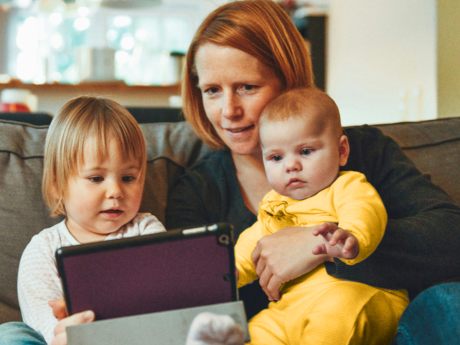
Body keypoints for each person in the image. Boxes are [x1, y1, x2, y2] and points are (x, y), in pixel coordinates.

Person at [1, 0, 459, 344]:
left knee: (448, 304)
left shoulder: (360, 152)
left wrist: (320, 244)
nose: (230, 111)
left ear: (288, 80)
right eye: (212, 91)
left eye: (247, 87)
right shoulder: (197, 191)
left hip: (387, 325)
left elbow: (449, 237)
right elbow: (200, 310)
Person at [233, 87, 408, 344]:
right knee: (258, 329)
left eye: (305, 151)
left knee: (333, 319)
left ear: (342, 151)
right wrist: (230, 271)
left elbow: (364, 210)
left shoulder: (346, 186)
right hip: (290, 307)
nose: (291, 165)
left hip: (356, 294)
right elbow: (254, 243)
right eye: (276, 157)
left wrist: (352, 236)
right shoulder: (273, 204)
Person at [16, 96, 166, 344]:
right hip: (69, 340)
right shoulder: (42, 250)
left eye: (128, 178)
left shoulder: (145, 229)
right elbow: (44, 324)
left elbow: (163, 297)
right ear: (57, 185)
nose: (115, 191)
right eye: (96, 178)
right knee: (13, 333)